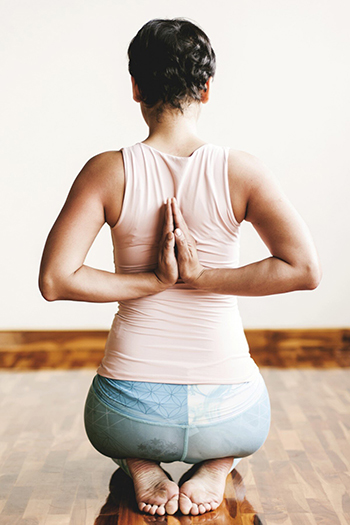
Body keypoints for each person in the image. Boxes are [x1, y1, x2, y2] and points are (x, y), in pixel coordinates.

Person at [39, 18, 321, 517]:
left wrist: (152, 282)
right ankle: (217, 462)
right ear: (207, 89)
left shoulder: (108, 171)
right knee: (241, 419)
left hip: (125, 416)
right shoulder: (242, 171)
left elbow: (55, 279)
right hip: (234, 416)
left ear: (135, 87)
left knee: (114, 422)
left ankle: (141, 463)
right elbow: (304, 269)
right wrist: (205, 277)